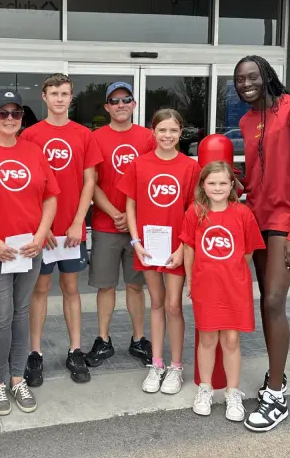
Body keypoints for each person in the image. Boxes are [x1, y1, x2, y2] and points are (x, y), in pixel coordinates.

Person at [233, 55, 290, 432]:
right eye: (239, 80)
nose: (246, 83)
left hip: (285, 223)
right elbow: (255, 178)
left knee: (273, 300)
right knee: (267, 301)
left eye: (252, 76)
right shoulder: (246, 121)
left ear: (267, 75)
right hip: (257, 221)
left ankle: (275, 396)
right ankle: (276, 375)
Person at [0, 89, 59, 416]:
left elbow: (50, 197)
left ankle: (18, 378)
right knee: (0, 315)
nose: (9, 119)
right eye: (2, 113)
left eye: (15, 114)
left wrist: (42, 233)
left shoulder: (34, 152)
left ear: (21, 118)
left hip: (28, 247)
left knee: (21, 312)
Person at [20, 74, 103, 386]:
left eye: (64, 93)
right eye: (53, 93)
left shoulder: (84, 135)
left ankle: (75, 349)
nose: (59, 98)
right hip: (43, 231)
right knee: (39, 290)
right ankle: (35, 353)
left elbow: (90, 182)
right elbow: (26, 185)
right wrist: (42, 227)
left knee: (71, 288)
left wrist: (78, 221)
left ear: (71, 97)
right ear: (44, 97)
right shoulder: (30, 135)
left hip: (71, 230)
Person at [119, 108, 200, 395]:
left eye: (173, 130)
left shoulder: (190, 167)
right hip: (149, 247)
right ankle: (156, 364)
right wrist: (136, 241)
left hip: (175, 248)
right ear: (153, 132)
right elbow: (130, 205)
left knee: (173, 305)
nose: (167, 135)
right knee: (155, 302)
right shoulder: (140, 165)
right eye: (162, 130)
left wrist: (182, 247)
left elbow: (195, 210)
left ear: (181, 133)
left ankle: (175, 367)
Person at [180, 161, 265, 422]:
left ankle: (231, 391)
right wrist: (191, 281)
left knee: (230, 340)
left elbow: (248, 251)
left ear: (231, 186)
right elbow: (189, 249)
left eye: (222, 183)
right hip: (206, 287)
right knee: (207, 340)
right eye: (212, 182)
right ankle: (205, 388)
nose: (217, 187)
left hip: (234, 288)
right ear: (203, 185)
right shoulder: (195, 212)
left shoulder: (243, 213)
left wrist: (232, 273)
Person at [85, 82, 156, 368]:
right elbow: (92, 183)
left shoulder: (148, 137)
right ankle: (103, 340)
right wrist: (116, 212)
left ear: (134, 104)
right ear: (107, 107)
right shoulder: (96, 138)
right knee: (105, 287)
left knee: (136, 286)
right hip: (105, 224)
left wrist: (132, 216)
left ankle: (139, 340)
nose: (121, 104)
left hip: (139, 228)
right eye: (115, 101)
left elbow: (153, 179)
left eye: (126, 99)